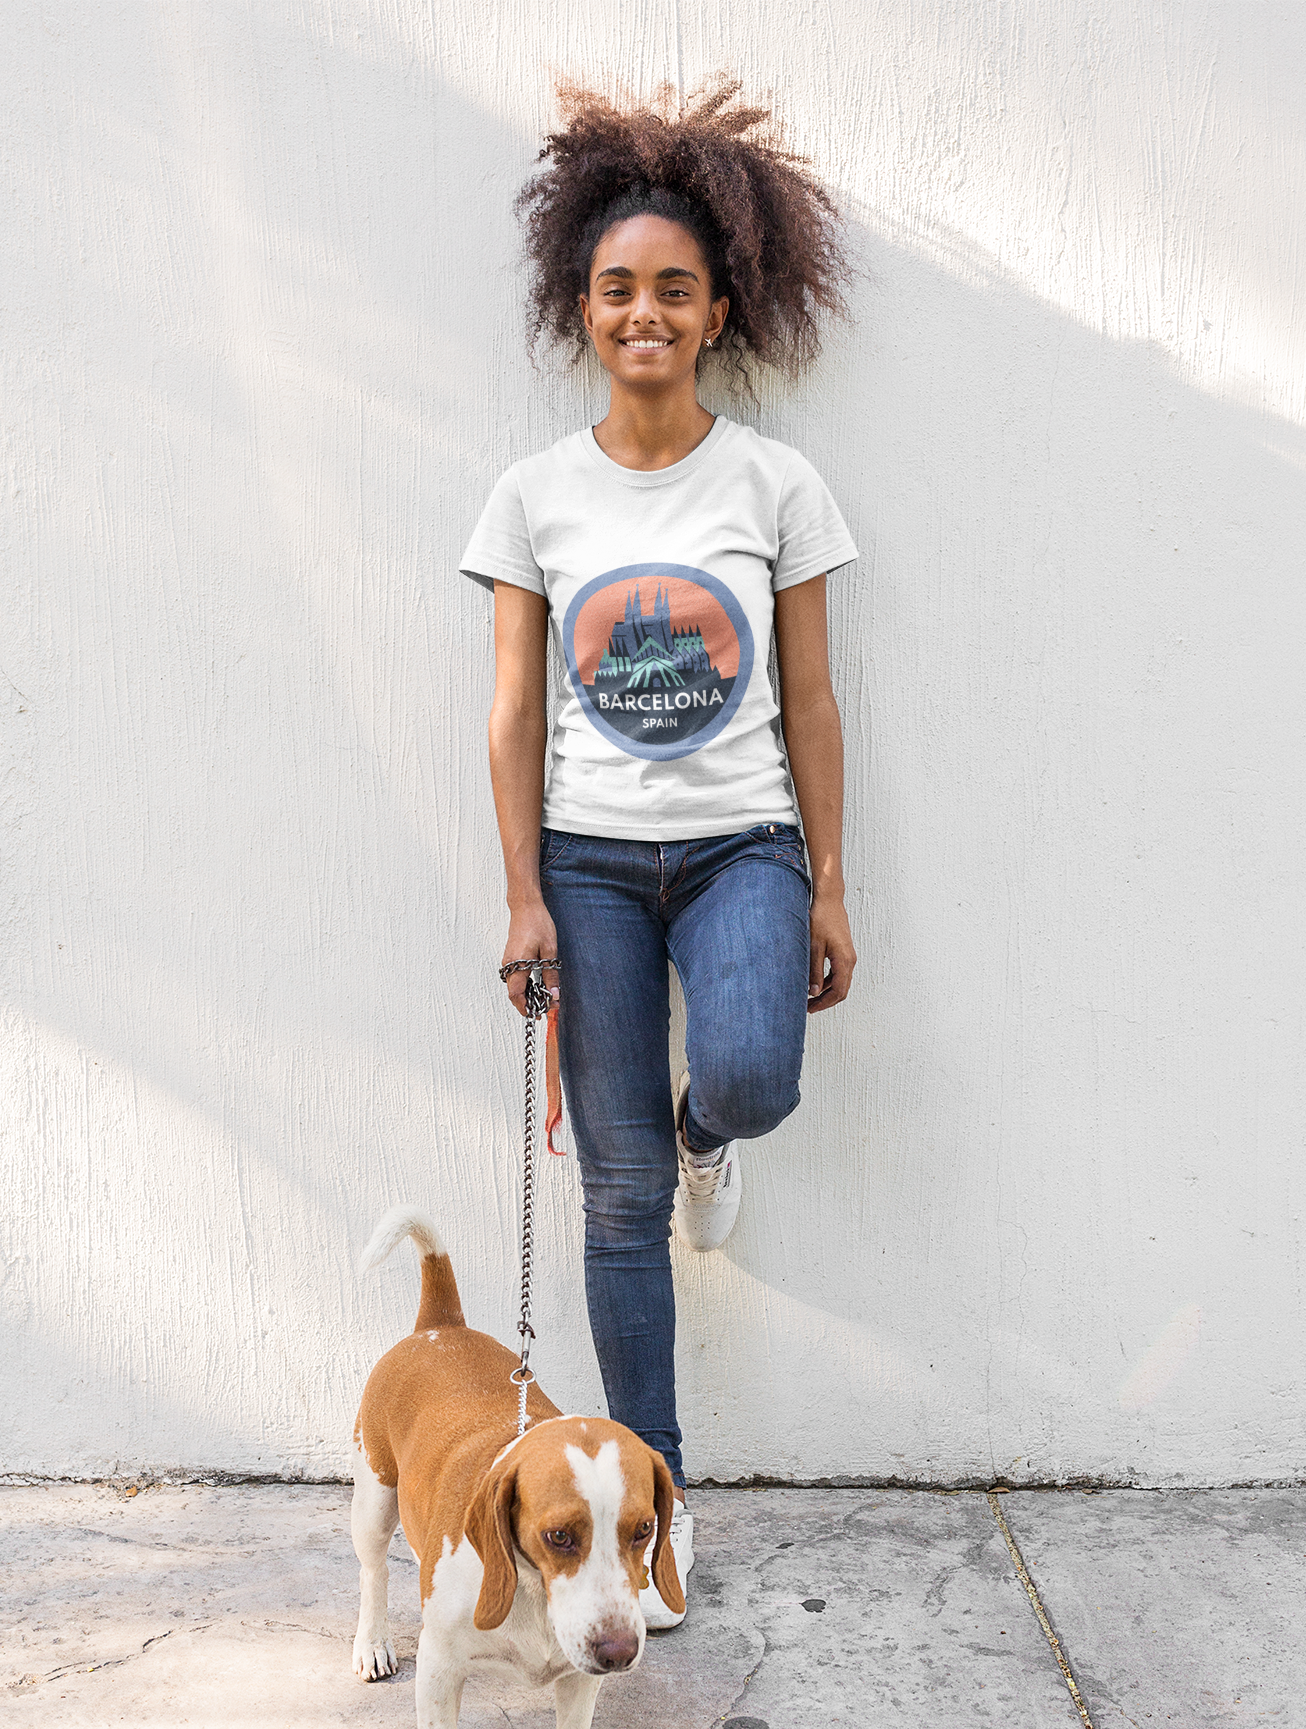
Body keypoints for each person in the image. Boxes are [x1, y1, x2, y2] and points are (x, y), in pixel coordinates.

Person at [459, 78, 858, 1629]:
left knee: (753, 1070)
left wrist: (828, 880)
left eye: (673, 290)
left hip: (741, 846)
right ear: (584, 306)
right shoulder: (534, 496)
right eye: (618, 288)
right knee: (616, 1197)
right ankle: (653, 1521)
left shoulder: (774, 484)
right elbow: (509, 711)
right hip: (592, 868)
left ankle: (713, 1136)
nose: (645, 312)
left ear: (717, 310)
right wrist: (520, 894)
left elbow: (813, 700)